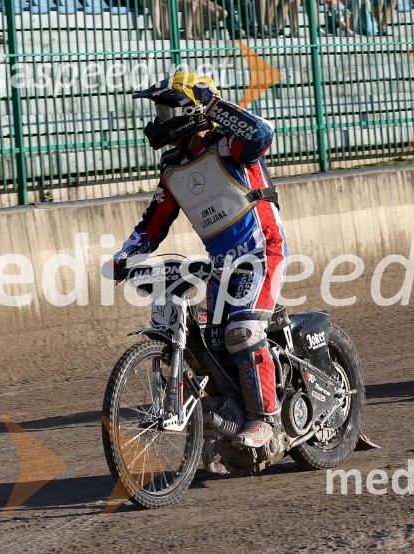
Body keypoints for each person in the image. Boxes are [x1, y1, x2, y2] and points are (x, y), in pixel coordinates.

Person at [111, 72, 287, 448]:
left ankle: (266, 419)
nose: (157, 121)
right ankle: (229, 417)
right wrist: (126, 254)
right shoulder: (173, 168)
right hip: (222, 265)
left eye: (164, 110)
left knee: (243, 333)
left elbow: (262, 134)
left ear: (190, 110)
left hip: (261, 250)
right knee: (210, 347)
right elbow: (154, 223)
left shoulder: (230, 145)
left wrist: (213, 105)